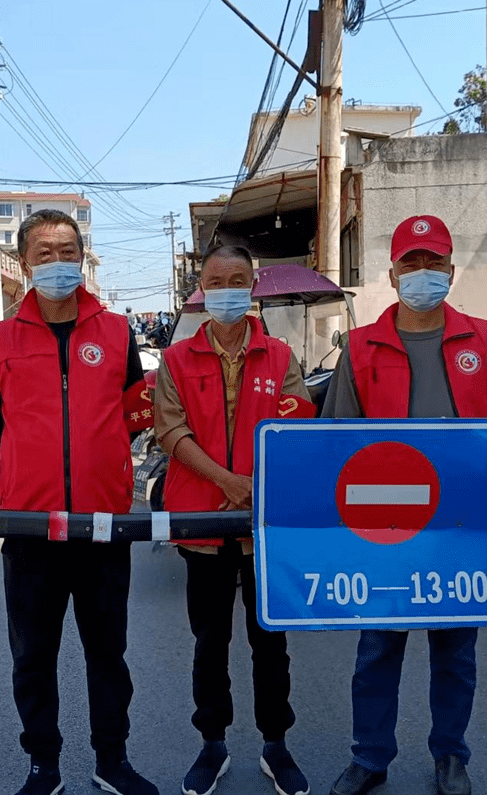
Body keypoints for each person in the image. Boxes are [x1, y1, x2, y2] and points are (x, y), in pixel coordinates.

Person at [322, 215, 487, 795]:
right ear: (393, 273)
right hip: (387, 528)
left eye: (435, 263)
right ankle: (370, 757)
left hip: (460, 526)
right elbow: (335, 439)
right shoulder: (360, 347)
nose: (423, 274)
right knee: (378, 649)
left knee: (455, 652)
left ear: (451, 272)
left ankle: (450, 757)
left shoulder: (480, 340)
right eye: (413, 263)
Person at [0, 209, 158, 795]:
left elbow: (132, 414)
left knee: (109, 655)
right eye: (45, 252)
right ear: (23, 262)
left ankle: (113, 760)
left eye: (68, 250)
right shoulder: (0, 339)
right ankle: (43, 765)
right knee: (33, 658)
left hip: (104, 526)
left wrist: (97, 460)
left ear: (82, 256)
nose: (58, 262)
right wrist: (36, 467)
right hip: (30, 529)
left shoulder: (116, 331)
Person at [153, 245, 315, 795]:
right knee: (209, 641)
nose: (227, 289)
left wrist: (254, 488)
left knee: (271, 642)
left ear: (253, 285)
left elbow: (294, 431)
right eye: (216, 280)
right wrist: (227, 482)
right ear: (202, 288)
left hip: (264, 527)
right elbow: (170, 432)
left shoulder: (279, 355)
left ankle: (276, 743)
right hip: (201, 524)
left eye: (237, 279)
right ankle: (212, 743)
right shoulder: (176, 360)